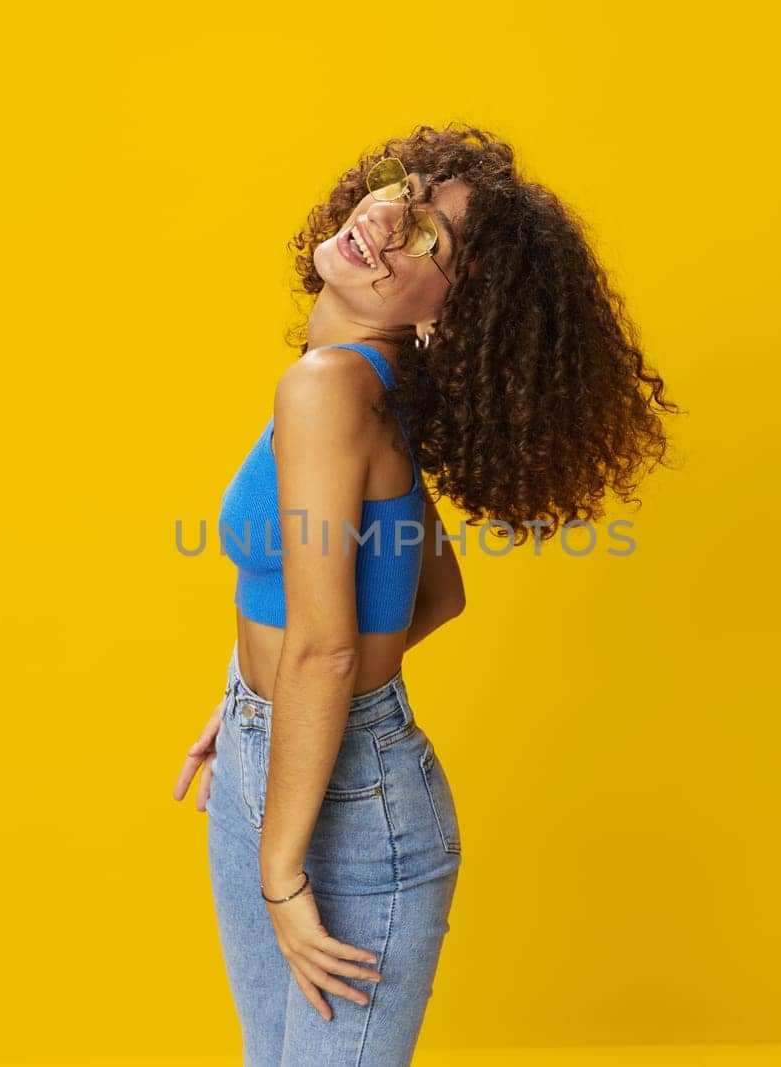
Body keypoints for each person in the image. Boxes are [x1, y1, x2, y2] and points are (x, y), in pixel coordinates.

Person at [172, 122, 679, 1065]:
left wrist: (282, 869)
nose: (390, 219)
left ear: (448, 315)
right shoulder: (364, 386)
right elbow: (433, 590)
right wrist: (253, 697)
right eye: (406, 190)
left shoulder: (329, 388)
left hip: (345, 799)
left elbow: (329, 647)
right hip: (275, 748)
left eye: (431, 239)